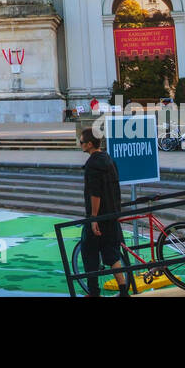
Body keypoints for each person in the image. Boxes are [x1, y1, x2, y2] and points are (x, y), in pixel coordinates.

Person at [79, 127, 129, 296]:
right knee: (112, 254)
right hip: (112, 213)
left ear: (90, 144)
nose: (80, 145)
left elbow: (95, 193)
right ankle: (123, 290)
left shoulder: (92, 164)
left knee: (89, 252)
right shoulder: (109, 159)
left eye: (81, 142)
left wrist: (93, 218)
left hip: (98, 216)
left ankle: (93, 291)